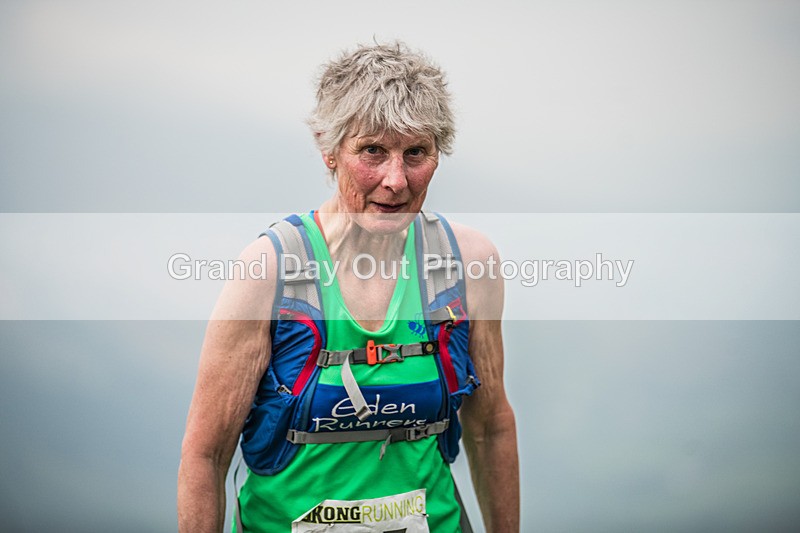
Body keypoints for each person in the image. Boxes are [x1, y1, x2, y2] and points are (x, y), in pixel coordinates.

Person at [178, 41, 519, 532]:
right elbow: (205, 456)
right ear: (329, 149)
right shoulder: (270, 271)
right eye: (373, 151)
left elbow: (490, 429)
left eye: (416, 153)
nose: (396, 180)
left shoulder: (467, 263)